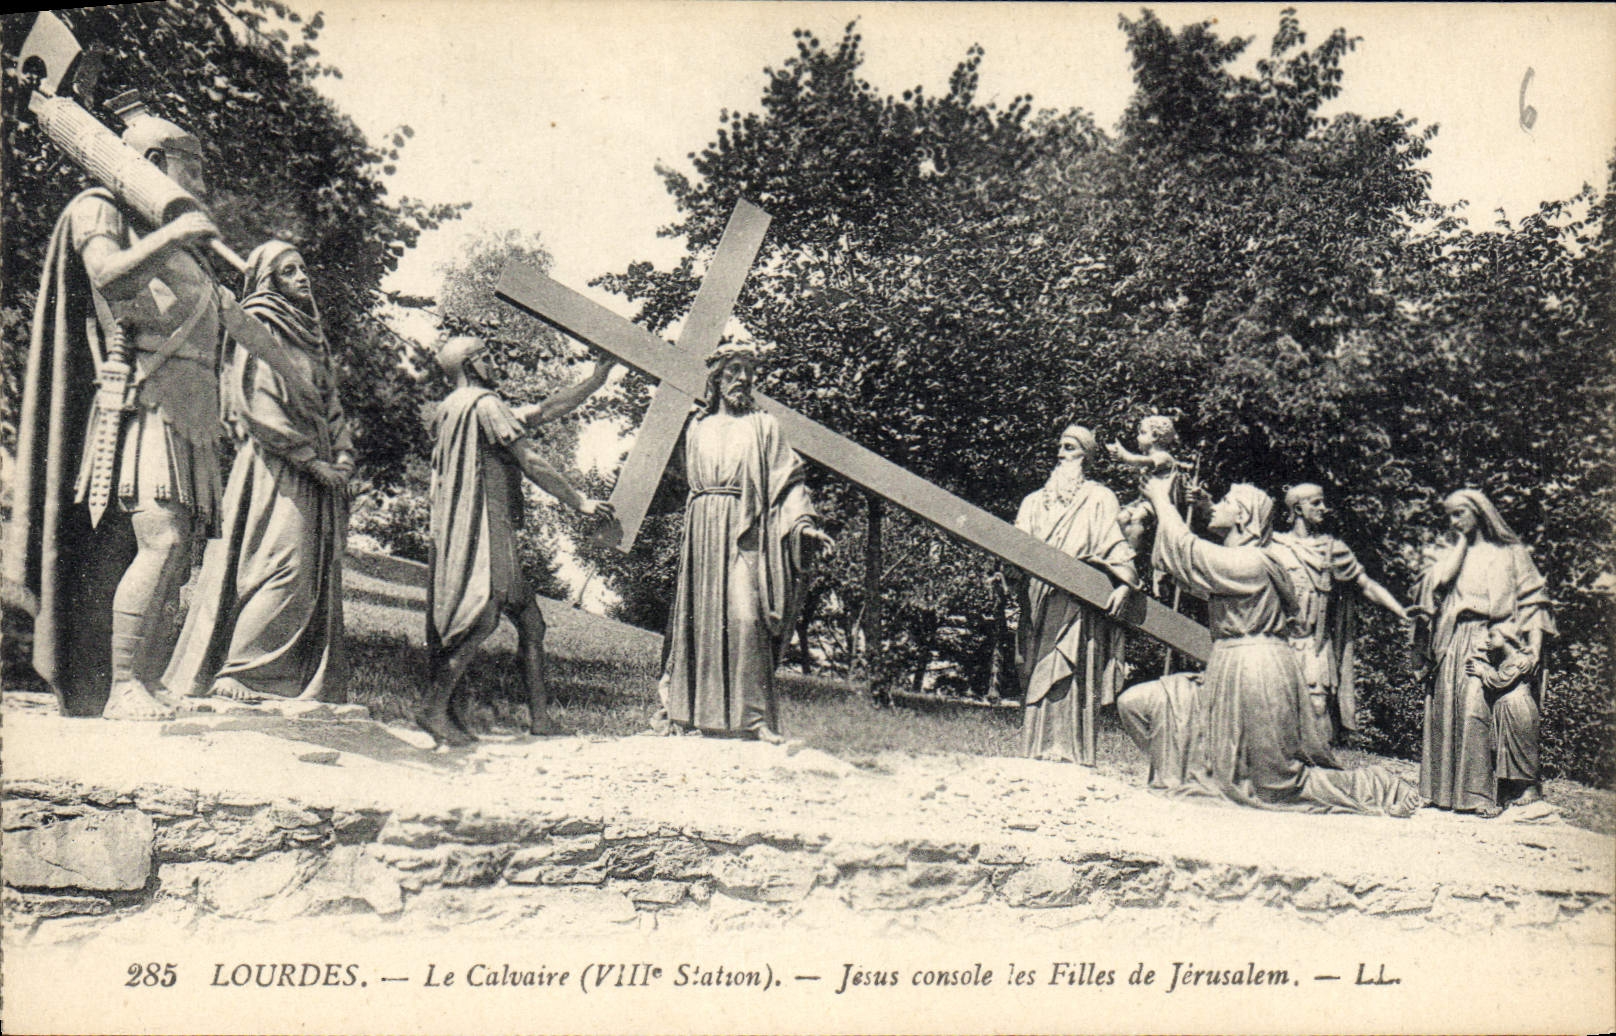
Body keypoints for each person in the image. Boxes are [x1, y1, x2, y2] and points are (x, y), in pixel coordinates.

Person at [3, 98, 314, 721]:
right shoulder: (101, 209)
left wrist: (299, 373)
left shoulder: (185, 248)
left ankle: (139, 678)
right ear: (152, 162)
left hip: (191, 410)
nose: (201, 185)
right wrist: (175, 231)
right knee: (161, 536)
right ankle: (120, 686)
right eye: (192, 169)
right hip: (142, 401)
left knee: (177, 549)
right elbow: (110, 276)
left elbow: (231, 317)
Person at [1139, 475, 1419, 815]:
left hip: (1257, 671)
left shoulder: (1252, 562)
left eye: (1226, 503)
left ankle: (1377, 785)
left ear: (1242, 517)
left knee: (1276, 783)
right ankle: (1191, 775)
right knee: (1139, 705)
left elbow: (1188, 551)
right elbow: (1188, 564)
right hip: (1230, 666)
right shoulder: (1243, 558)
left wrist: (1160, 501)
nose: (1217, 509)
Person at [163, 242, 353, 703]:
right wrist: (310, 460)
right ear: (270, 281)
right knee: (279, 564)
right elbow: (258, 402)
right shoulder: (260, 323)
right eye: (289, 272)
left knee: (307, 573)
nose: (302, 277)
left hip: (319, 471)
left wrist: (343, 456)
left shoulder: (311, 336)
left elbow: (332, 405)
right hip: (277, 469)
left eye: (303, 268)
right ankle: (239, 671)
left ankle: (281, 680)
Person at [422, 336, 613, 748]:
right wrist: (579, 500)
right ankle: (434, 709)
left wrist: (596, 380)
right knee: (484, 619)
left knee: (530, 621)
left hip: (470, 529)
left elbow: (545, 410)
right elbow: (532, 461)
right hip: (485, 531)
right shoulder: (485, 405)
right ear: (471, 365)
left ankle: (540, 720)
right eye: (486, 356)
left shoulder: (451, 410)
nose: (494, 363)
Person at [656, 343, 833, 742]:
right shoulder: (695, 427)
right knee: (698, 619)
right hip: (703, 527)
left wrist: (803, 525)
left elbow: (788, 481)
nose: (744, 379)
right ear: (716, 377)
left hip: (745, 527)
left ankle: (753, 719)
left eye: (749, 372)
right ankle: (684, 714)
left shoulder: (764, 426)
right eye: (734, 370)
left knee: (746, 617)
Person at [1413, 489, 1555, 816]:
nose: (1453, 521)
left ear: (1479, 512)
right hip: (1452, 639)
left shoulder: (1511, 553)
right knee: (1446, 708)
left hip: (1491, 640)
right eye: (1449, 515)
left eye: (1459, 513)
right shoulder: (1451, 553)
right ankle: (1440, 794)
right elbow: (1430, 592)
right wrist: (1460, 546)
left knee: (1474, 707)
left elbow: (1535, 602)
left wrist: (1533, 648)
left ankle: (1478, 795)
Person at [1008, 424, 1137, 763]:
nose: (1060, 454)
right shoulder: (1032, 502)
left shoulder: (1100, 498)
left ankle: (1070, 749)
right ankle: (1036, 747)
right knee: (1038, 668)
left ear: (1086, 457)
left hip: (1081, 603)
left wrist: (1125, 584)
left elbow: (1116, 545)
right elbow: (1015, 549)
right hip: (1039, 599)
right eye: (1060, 447)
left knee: (1073, 670)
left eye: (1070, 448)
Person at [1268, 483, 1411, 743]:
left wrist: (1401, 612)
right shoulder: (1273, 546)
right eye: (1316, 503)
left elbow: (1365, 584)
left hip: (1315, 643)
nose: (1324, 508)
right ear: (1298, 508)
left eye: (1322, 502)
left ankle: (1319, 769)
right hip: (1277, 641)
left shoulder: (1332, 549)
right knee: (1274, 705)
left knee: (1318, 706)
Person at [1116, 671, 1204, 788]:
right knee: (1128, 701)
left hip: (1214, 684)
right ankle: (1161, 759)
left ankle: (1171, 768)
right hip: (1185, 681)